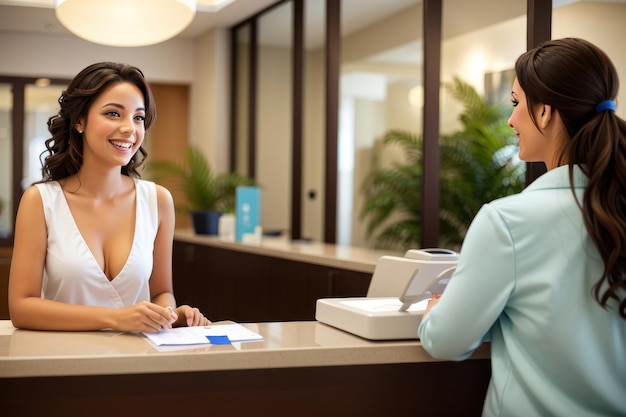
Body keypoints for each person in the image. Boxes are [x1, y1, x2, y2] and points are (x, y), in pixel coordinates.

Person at [418, 38, 626, 416]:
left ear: (545, 111)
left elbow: (446, 341)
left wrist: (435, 310)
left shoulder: (507, 222)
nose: (511, 121)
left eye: (516, 104)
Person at [8, 62, 210, 333]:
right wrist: (116, 318)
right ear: (80, 120)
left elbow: (162, 291)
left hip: (137, 362)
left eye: (138, 117)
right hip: (64, 360)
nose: (130, 128)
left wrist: (171, 314)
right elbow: (22, 308)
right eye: (114, 113)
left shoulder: (158, 200)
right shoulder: (40, 201)